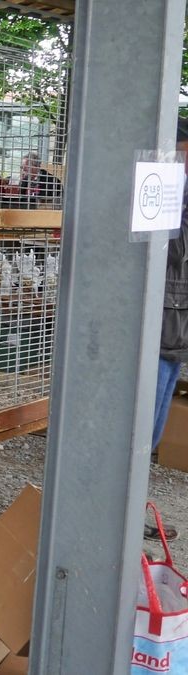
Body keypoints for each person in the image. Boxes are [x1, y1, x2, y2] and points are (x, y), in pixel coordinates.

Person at [149, 119, 188, 542]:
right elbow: (163, 246)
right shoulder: (166, 189)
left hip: (174, 323)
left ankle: (130, 506)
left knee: (153, 428)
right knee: (142, 426)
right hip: (161, 321)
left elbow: (175, 248)